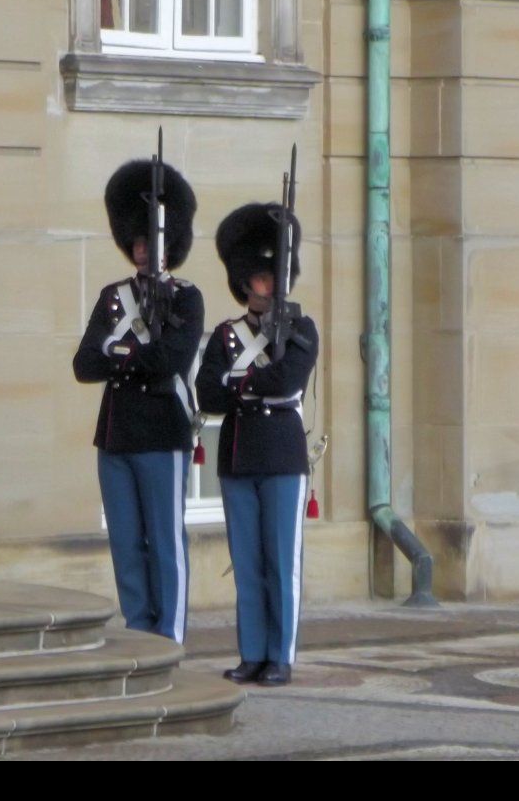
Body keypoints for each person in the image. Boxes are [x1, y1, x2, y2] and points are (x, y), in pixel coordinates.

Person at [72, 158, 204, 644]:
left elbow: (171, 359)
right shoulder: (113, 297)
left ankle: (168, 637)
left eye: (154, 242)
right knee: (126, 544)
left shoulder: (186, 298)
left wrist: (119, 351)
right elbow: (85, 363)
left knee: (165, 543)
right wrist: (132, 353)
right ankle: (137, 632)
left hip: (162, 431)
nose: (145, 251)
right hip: (116, 434)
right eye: (139, 242)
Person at [196, 203, 318, 686]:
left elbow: (288, 379)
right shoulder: (226, 335)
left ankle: (280, 656)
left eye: (274, 276)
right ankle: (252, 653)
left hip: (282, 454)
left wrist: (243, 382)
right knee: (246, 561)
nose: (268, 285)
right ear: (245, 282)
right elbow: (206, 391)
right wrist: (250, 383)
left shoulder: (300, 329)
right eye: (260, 278)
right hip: (237, 455)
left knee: (280, 562)